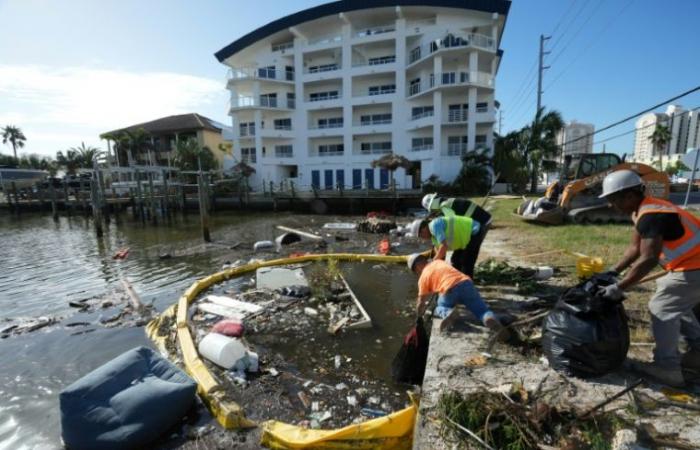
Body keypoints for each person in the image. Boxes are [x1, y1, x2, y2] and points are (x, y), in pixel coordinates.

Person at [599, 170, 700, 387]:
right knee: (676, 306)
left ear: (629, 196)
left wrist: (620, 287)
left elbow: (649, 258)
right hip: (687, 265)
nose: (610, 205)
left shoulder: (652, 214)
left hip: (694, 267)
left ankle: (667, 368)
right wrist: (613, 272)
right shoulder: (642, 211)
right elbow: (635, 248)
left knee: (662, 308)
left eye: (613, 199)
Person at [407, 253, 506, 337]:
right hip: (466, 283)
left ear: (417, 266)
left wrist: (418, 316)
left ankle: (448, 312)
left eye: (416, 271)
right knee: (482, 310)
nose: (418, 273)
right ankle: (489, 318)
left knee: (439, 306)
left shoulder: (423, 278)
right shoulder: (438, 262)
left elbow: (421, 302)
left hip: (449, 290)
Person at [422, 193, 492, 277]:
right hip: (479, 222)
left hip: (480, 225)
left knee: (467, 256)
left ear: (432, 205)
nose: (435, 212)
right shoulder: (448, 202)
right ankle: (461, 278)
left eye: (433, 210)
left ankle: (466, 281)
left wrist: (442, 248)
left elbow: (453, 229)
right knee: (458, 258)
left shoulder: (445, 207)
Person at [409, 214, 481, 277]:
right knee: (455, 261)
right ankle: (458, 281)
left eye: (421, 236)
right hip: (465, 240)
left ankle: (467, 286)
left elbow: (443, 247)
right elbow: (440, 255)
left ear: (423, 230)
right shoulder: (434, 238)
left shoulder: (435, 225)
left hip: (474, 230)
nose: (423, 239)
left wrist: (432, 262)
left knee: (466, 262)